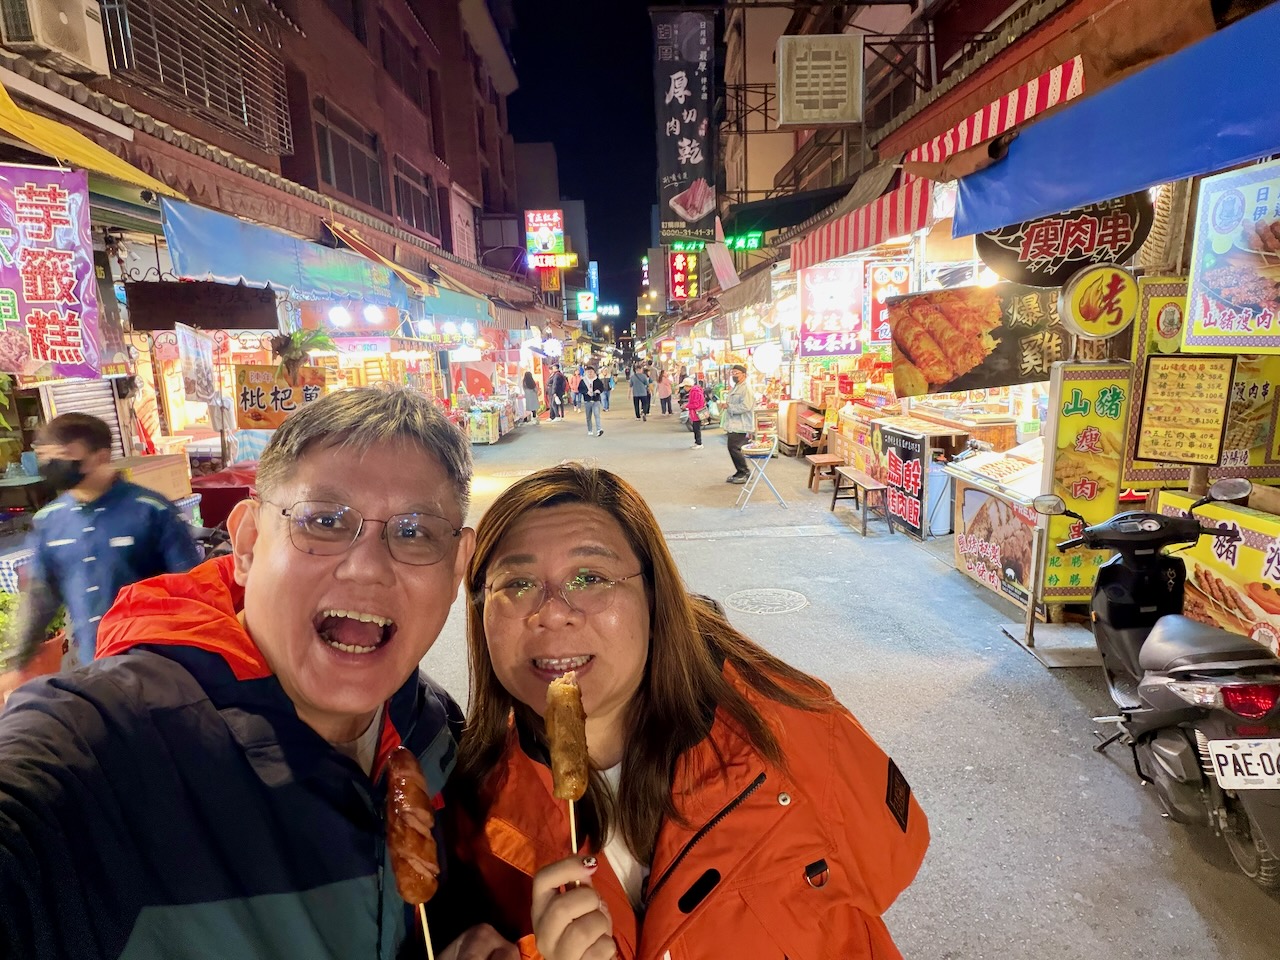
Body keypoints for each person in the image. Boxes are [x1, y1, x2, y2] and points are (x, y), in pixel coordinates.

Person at [0, 389, 515, 960]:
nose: (368, 568)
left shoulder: (432, 728)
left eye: (415, 532)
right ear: (246, 544)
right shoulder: (103, 746)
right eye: (324, 520)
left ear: (457, 566)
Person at [451, 464, 929, 960]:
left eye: (591, 577)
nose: (552, 612)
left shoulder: (791, 729)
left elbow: (894, 861)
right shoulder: (476, 809)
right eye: (518, 583)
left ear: (653, 598)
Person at [3, 413, 201, 671]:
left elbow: (191, 590)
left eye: (65, 453)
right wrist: (19, 662)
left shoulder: (152, 510)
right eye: (46, 455)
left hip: (156, 664)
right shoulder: (49, 521)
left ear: (101, 457)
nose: (53, 462)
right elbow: (41, 598)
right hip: (93, 665)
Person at [724, 363, 755, 484]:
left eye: (736, 373)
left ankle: (745, 472)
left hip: (742, 424)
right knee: (732, 447)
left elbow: (746, 406)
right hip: (734, 423)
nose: (734, 375)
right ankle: (740, 471)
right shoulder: (736, 387)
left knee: (734, 447)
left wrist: (730, 407)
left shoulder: (746, 388)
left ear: (744, 375)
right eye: (733, 373)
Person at [577, 365, 606, 437]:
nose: (590, 373)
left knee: (597, 415)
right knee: (588, 416)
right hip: (587, 401)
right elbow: (580, 389)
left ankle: (599, 429)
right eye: (588, 372)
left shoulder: (597, 380)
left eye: (591, 372)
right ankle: (590, 430)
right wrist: (586, 392)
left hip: (596, 400)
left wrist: (598, 391)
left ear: (594, 372)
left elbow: (602, 388)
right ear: (586, 372)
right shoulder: (583, 381)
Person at [683, 376, 706, 450]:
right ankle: (697, 442)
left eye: (685, 386)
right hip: (696, 413)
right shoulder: (695, 391)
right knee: (696, 428)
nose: (684, 388)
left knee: (697, 429)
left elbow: (695, 404)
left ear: (688, 386)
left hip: (696, 414)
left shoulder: (694, 392)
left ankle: (699, 443)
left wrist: (686, 406)